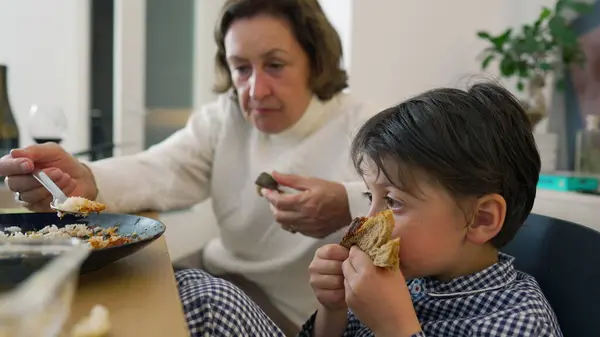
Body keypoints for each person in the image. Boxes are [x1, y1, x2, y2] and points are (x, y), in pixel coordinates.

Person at [0, 0, 373, 335]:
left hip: (295, 316)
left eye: (274, 65)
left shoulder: (362, 130)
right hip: (219, 271)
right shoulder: (227, 117)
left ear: (316, 61)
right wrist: (87, 178)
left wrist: (348, 203)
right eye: (241, 68)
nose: (255, 91)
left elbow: (415, 207)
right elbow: (161, 168)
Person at [170, 81, 563, 337]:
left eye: (392, 201)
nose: (369, 220)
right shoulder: (408, 274)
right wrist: (333, 310)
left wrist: (396, 327)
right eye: (368, 197)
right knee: (202, 294)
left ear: (480, 219)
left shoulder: (520, 323)